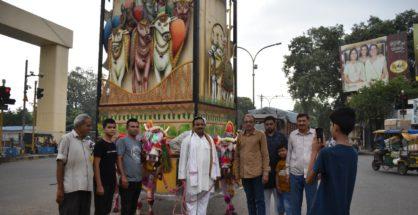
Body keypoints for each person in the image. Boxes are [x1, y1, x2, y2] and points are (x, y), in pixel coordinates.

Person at [306, 108, 358, 215]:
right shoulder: (353, 153)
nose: (330, 128)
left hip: (323, 210)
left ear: (336, 127)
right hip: (342, 210)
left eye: (331, 125)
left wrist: (314, 151)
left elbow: (309, 180)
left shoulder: (326, 153)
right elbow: (332, 175)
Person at [178, 116, 221, 215]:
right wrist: (182, 177)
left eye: (202, 124)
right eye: (197, 124)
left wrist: (217, 173)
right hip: (192, 178)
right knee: (191, 204)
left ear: (205, 125)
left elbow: (214, 157)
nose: (200, 126)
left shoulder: (209, 140)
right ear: (193, 126)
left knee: (204, 203)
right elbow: (183, 160)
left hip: (207, 177)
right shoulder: (187, 140)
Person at [56, 114, 94, 215]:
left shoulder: (89, 142)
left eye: (90, 126)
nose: (90, 128)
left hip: (86, 188)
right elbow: (60, 164)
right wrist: (60, 189)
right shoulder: (67, 139)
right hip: (71, 189)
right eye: (88, 126)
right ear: (78, 126)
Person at [234, 114, 270, 215]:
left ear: (254, 123)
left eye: (250, 122)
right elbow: (237, 156)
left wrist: (266, 172)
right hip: (245, 174)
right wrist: (236, 173)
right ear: (243, 123)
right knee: (250, 200)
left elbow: (265, 154)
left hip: (257, 174)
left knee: (259, 200)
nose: (248, 124)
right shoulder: (240, 135)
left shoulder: (260, 135)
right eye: (246, 122)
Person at [286, 113, 317, 215]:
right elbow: (289, 154)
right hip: (295, 174)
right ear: (297, 122)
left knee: (312, 203)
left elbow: (320, 153)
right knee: (295, 204)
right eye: (299, 121)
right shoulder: (292, 135)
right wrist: (287, 172)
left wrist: (320, 170)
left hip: (311, 174)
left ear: (308, 122)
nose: (301, 123)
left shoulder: (315, 134)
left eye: (304, 121)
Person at [116, 118, 142, 215]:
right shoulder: (122, 141)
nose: (135, 129)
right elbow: (119, 159)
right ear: (127, 128)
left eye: (137, 127)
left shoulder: (139, 143)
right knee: (126, 209)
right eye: (132, 126)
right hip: (127, 180)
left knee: (133, 208)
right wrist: (122, 176)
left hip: (138, 180)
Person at [263, 116, 288, 215]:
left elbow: (286, 153)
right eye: (267, 124)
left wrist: (285, 173)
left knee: (279, 203)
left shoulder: (282, 137)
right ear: (264, 125)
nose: (269, 126)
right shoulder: (261, 137)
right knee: (265, 203)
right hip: (265, 174)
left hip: (279, 173)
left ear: (275, 124)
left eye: (271, 124)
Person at [93, 118, 118, 215]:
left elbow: (114, 164)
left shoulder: (113, 145)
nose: (112, 129)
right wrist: (99, 185)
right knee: (100, 210)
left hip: (111, 182)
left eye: (114, 127)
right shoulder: (99, 144)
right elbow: (96, 165)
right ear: (104, 129)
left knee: (107, 209)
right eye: (109, 127)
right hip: (102, 183)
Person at [276, 145, 292, 215]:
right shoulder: (279, 163)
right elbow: (277, 175)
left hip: (288, 188)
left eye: (283, 150)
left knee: (288, 205)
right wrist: (277, 186)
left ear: (288, 151)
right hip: (280, 188)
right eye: (279, 151)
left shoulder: (291, 162)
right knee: (280, 206)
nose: (281, 152)